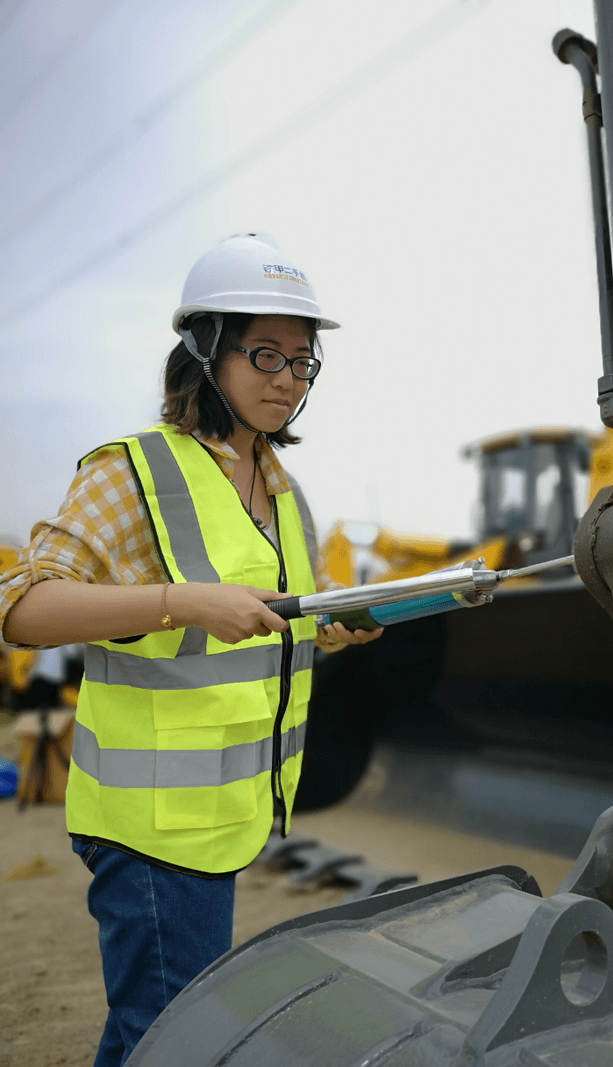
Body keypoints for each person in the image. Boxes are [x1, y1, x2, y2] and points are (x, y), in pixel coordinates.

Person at [0, 232, 383, 1066]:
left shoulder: (284, 493)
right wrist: (178, 602)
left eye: (303, 361)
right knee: (172, 1041)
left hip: (222, 820)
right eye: (266, 355)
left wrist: (335, 632)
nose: (288, 378)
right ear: (206, 349)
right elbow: (23, 607)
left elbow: (265, 628)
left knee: (153, 1033)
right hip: (149, 830)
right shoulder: (132, 472)